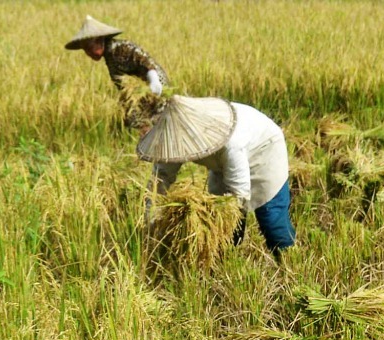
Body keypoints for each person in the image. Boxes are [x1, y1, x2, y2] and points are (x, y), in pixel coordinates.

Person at [137, 96, 295, 260]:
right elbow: (160, 179)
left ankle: (287, 261)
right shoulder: (174, 139)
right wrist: (150, 218)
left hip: (264, 150)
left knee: (271, 220)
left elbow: (239, 192)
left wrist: (227, 218)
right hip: (221, 163)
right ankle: (228, 261)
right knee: (221, 229)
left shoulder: (230, 143)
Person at [64, 16, 167, 132]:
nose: (88, 53)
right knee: (132, 118)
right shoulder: (109, 56)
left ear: (99, 41)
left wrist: (154, 81)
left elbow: (146, 61)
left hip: (152, 86)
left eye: (89, 48)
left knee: (149, 120)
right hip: (137, 92)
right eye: (85, 50)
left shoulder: (121, 49)